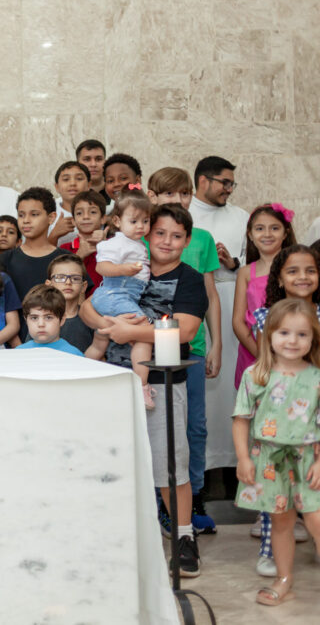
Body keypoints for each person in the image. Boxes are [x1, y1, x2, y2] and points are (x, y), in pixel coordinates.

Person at [80, 203, 209, 578]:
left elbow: (185, 330)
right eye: (160, 233)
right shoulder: (131, 264)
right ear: (147, 233)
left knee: (171, 464)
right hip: (114, 377)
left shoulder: (189, 280)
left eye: (177, 236)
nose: (167, 241)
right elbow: (87, 307)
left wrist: (130, 331)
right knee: (116, 462)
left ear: (187, 241)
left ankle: (183, 535)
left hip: (162, 382)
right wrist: (108, 326)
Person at [147, 167, 225, 532]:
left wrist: (216, 343)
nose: (177, 200)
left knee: (192, 428)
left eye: (184, 193)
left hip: (186, 352)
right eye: (168, 194)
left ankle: (191, 501)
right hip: (143, 357)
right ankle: (161, 505)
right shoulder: (138, 249)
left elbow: (209, 295)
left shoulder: (201, 243)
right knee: (156, 433)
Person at [232, 298, 320, 607]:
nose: (292, 341)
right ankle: (284, 579)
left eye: (302, 334)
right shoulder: (255, 375)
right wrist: (243, 458)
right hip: (268, 459)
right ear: (269, 335)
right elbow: (241, 419)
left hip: (309, 460)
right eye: (284, 333)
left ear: (313, 338)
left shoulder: (317, 378)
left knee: (316, 520)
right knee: (281, 522)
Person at [189, 155, 250, 473]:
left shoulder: (241, 216)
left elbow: (253, 257)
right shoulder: (184, 214)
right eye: (224, 182)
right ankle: (203, 464)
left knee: (229, 385)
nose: (229, 189)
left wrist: (232, 263)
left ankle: (233, 461)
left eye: (231, 183)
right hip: (197, 302)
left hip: (233, 298)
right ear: (203, 180)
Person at [87, 189, 155, 406]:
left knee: (101, 340)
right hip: (116, 292)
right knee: (143, 333)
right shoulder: (117, 242)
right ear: (117, 221)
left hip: (119, 295)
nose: (140, 226)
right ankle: (142, 386)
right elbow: (101, 267)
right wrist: (123, 269)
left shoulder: (135, 242)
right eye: (133, 221)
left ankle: (81, 369)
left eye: (145, 221)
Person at [233, 204, 298, 388]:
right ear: (250, 234)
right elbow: (238, 321)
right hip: (253, 353)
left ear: (285, 233)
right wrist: (262, 356)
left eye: (274, 228)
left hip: (291, 350)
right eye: (260, 228)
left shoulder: (296, 269)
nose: (267, 234)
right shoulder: (245, 273)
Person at [0, 187, 72, 340]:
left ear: (51, 217)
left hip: (60, 341)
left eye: (34, 214)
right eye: (21, 215)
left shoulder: (65, 259)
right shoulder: (5, 260)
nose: (26, 220)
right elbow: (1, 308)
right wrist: (18, 346)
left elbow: (74, 306)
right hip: (16, 342)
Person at [16, 285, 85, 357]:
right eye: (34, 318)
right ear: (26, 320)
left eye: (48, 317)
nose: (41, 324)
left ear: (62, 320)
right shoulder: (18, 354)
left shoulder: (74, 355)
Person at [60, 190, 107, 294]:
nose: (86, 217)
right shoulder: (64, 249)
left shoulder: (112, 246)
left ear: (103, 219)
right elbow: (60, 279)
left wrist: (106, 247)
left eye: (93, 212)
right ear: (73, 221)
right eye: (79, 213)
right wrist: (79, 255)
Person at [46, 254, 95, 353]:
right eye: (60, 277)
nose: (68, 282)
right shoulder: (41, 318)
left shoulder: (91, 318)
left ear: (84, 286)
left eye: (75, 278)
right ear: (49, 285)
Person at [48, 161, 90, 245]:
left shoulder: (97, 210)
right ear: (57, 187)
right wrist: (54, 234)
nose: (72, 183)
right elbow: (37, 250)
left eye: (79, 179)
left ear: (89, 185)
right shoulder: (47, 213)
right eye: (66, 179)